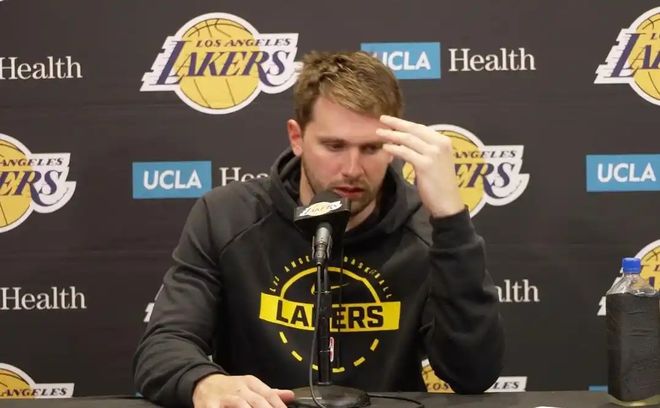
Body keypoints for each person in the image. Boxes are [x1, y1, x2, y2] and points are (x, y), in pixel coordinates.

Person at [133, 50, 504, 408]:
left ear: (393, 147)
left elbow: (473, 373)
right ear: (297, 138)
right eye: (334, 146)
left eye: (371, 148)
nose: (352, 169)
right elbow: (164, 345)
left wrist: (452, 221)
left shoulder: (427, 231)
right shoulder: (227, 217)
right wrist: (204, 382)